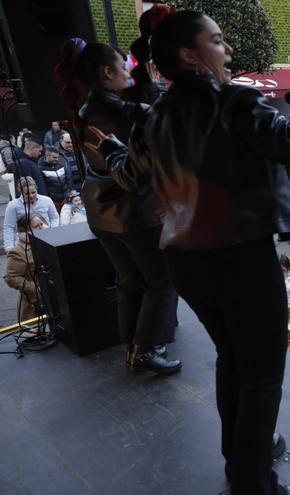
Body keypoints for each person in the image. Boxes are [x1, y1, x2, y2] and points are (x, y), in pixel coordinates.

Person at [95, 10, 290, 492]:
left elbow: (128, 176)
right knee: (263, 376)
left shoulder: (154, 116)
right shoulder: (235, 103)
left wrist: (109, 151)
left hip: (186, 262)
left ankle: (243, 453)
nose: (227, 50)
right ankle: (253, 482)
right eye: (218, 41)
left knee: (232, 359)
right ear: (190, 55)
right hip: (241, 260)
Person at [57, 37, 180, 375]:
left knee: (129, 279)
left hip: (102, 212)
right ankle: (145, 350)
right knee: (163, 279)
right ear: (107, 72)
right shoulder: (118, 112)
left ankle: (134, 344)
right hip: (134, 212)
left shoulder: (85, 108)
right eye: (124, 67)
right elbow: (141, 166)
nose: (129, 72)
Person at [4, 214, 44, 321]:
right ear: (25, 230)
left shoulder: (44, 241)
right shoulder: (19, 251)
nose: (41, 228)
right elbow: (10, 277)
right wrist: (36, 289)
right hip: (34, 302)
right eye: (37, 226)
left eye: (42, 224)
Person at [3, 177, 59, 250]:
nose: (31, 196)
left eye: (33, 192)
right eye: (27, 194)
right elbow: (9, 227)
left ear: (36, 189)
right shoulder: (13, 205)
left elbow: (54, 217)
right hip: (25, 243)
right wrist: (9, 247)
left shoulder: (47, 200)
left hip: (47, 239)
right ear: (21, 192)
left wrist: (52, 231)